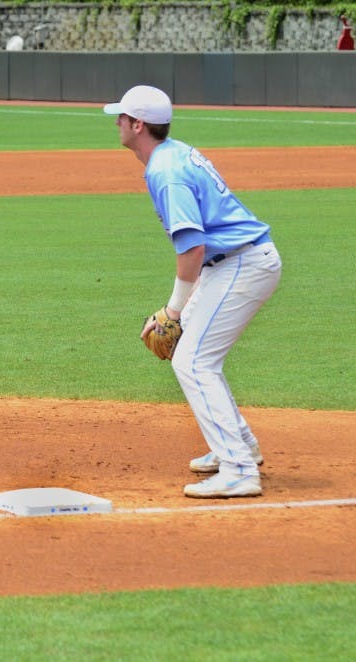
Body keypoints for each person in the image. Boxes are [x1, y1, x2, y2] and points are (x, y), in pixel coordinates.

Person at [103, 85, 281, 499]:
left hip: (242, 264)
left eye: (121, 118)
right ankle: (240, 447)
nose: (116, 124)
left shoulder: (166, 172)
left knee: (194, 362)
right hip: (232, 263)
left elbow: (194, 246)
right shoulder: (174, 153)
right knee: (197, 359)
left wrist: (174, 311)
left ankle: (238, 469)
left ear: (138, 124)